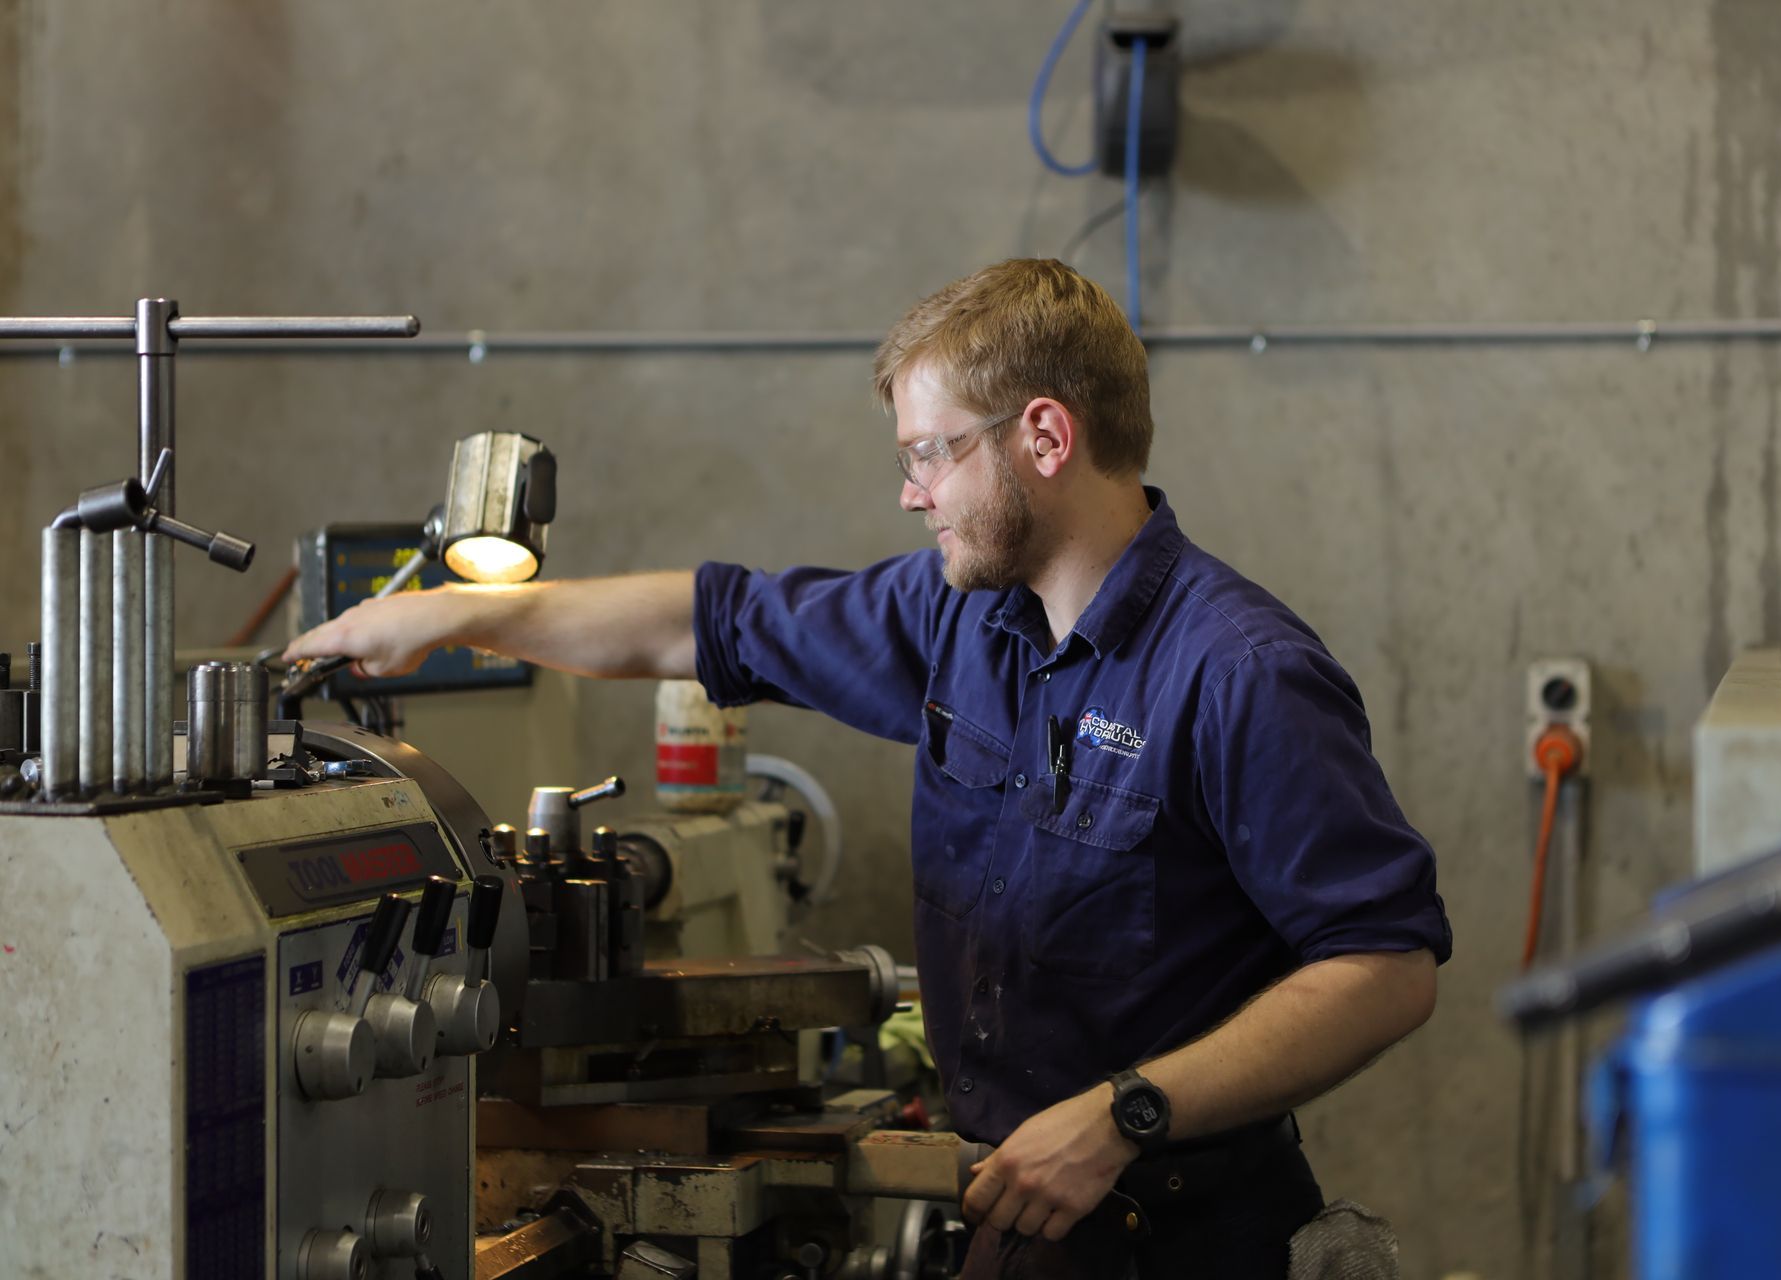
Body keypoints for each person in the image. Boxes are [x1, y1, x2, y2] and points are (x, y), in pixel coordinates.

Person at [286, 258, 1451, 1279]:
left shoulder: (1238, 671)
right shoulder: (962, 620)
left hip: (1185, 1232)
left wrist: (1125, 1113)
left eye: (930, 455)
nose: (910, 492)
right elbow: (707, 623)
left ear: (1045, 437)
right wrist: (453, 618)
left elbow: (1385, 965)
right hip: (1024, 1215)